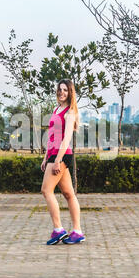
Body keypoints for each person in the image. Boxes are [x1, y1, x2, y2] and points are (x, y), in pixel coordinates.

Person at [40, 79, 85, 245]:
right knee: (68, 194)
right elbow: (51, 136)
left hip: (62, 155)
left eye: (65, 90)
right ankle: (77, 231)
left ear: (70, 92)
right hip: (52, 154)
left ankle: (58, 229)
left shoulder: (69, 112)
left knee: (46, 190)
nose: (62, 92)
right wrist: (46, 158)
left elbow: (66, 138)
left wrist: (57, 160)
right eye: (60, 89)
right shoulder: (56, 109)